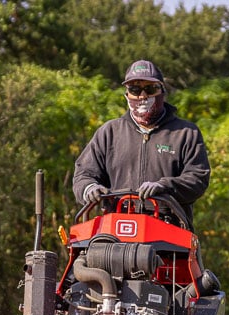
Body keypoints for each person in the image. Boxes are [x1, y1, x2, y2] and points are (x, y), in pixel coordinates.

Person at [72, 60, 211, 228]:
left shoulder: (186, 133)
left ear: (162, 91)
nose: (143, 96)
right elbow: (83, 174)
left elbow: (198, 178)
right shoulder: (109, 132)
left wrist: (164, 186)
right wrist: (89, 188)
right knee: (82, 253)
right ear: (127, 94)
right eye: (135, 89)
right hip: (115, 229)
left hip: (169, 229)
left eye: (150, 89)